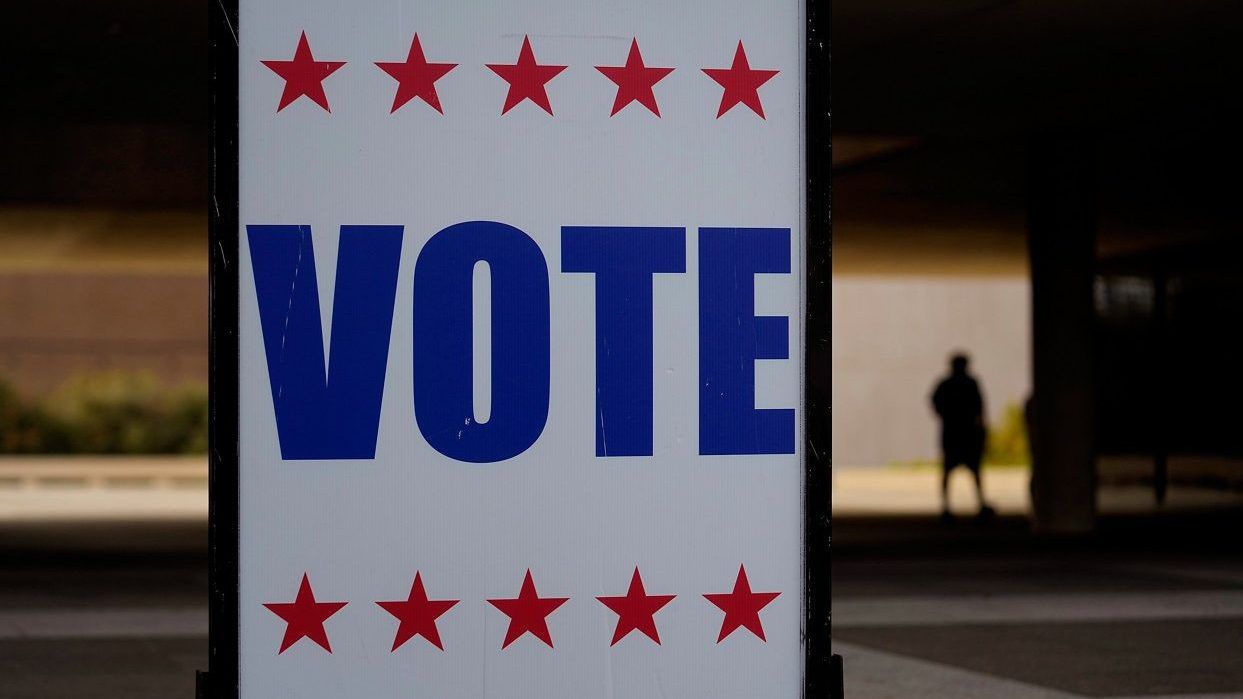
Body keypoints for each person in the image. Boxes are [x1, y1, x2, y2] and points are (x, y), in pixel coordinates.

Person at [930, 353, 993, 520]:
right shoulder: (967, 384)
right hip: (962, 432)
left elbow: (935, 403)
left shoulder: (949, 384)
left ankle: (948, 506)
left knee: (954, 471)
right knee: (969, 470)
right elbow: (980, 409)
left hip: (956, 432)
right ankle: (964, 504)